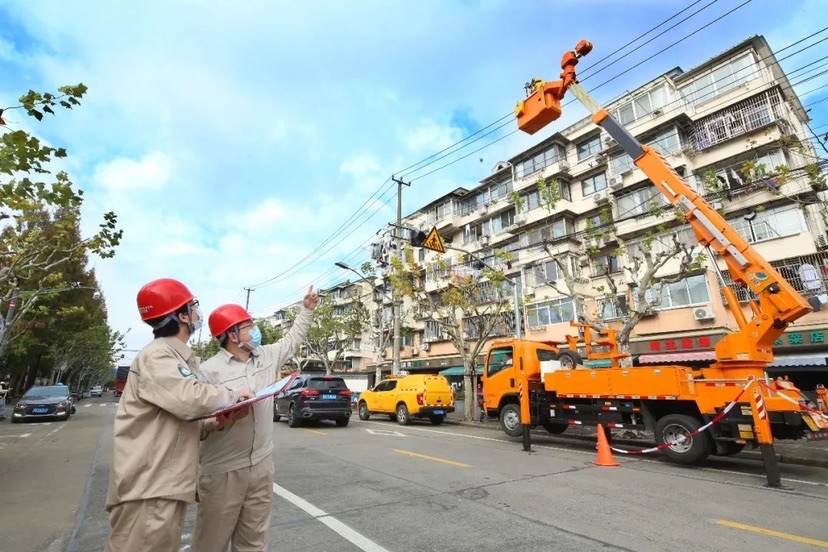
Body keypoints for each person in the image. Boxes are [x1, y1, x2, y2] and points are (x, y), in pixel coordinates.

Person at [105, 278, 253, 552]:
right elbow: (189, 398)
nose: (198, 312)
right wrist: (233, 395)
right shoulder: (158, 356)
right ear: (182, 315)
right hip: (150, 486)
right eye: (193, 306)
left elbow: (177, 417)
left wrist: (216, 422)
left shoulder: (176, 358)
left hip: (162, 485)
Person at [193, 286, 318, 552]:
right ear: (232, 335)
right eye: (249, 326)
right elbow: (193, 422)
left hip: (261, 464)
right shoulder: (208, 371)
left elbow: (292, 339)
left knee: (253, 542)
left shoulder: (267, 356)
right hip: (222, 471)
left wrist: (306, 310)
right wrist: (219, 420)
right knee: (211, 543)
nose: (255, 331)